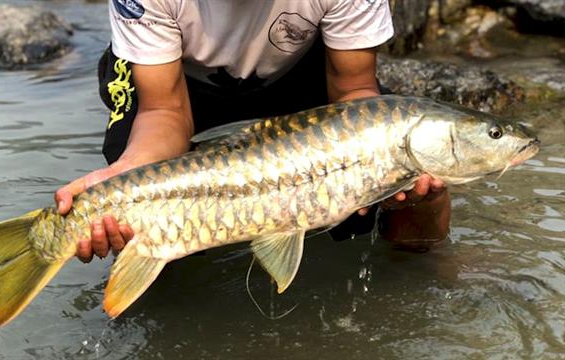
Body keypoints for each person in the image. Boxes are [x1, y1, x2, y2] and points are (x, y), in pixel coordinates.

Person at [54, 0, 450, 263]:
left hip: (297, 69)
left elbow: (353, 92)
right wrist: (126, 175)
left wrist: (379, 166)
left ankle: (426, 274)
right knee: (141, 213)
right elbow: (165, 109)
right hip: (178, 83)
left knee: (418, 176)